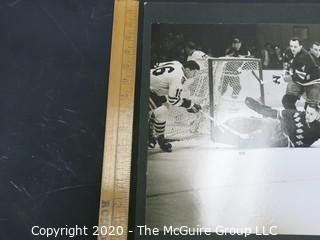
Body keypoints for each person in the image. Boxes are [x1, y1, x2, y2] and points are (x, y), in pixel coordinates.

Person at [214, 97, 320, 148]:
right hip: (277, 125)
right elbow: (276, 113)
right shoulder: (299, 114)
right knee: (254, 122)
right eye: (307, 112)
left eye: (311, 114)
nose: (307, 116)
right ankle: (225, 125)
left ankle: (220, 137)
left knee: (252, 142)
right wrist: (257, 107)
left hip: (284, 140)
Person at [149, 60, 201, 152]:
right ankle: (148, 134)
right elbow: (173, 100)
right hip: (145, 88)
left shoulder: (177, 63)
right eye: (194, 72)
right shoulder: (179, 77)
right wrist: (189, 105)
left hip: (151, 87)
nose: (194, 76)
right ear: (188, 70)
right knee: (146, 113)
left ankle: (159, 138)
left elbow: (157, 64)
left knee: (164, 109)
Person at [282, 37, 320, 110]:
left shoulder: (305, 56)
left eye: (295, 47)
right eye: (291, 46)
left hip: (313, 81)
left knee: (310, 108)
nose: (293, 49)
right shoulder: (287, 51)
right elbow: (286, 64)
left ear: (301, 47)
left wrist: (283, 78)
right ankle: (293, 118)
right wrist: (285, 72)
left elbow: (300, 76)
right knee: (287, 101)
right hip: (299, 80)